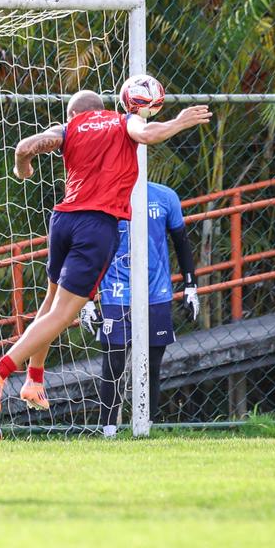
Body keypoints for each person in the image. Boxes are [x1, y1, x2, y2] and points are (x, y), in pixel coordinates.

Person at [0, 90, 211, 413]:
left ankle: (34, 379)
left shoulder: (68, 129)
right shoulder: (122, 121)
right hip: (97, 224)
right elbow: (148, 133)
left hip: (63, 220)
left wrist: (23, 168)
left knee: (50, 303)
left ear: (75, 114)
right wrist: (179, 122)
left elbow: (25, 147)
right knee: (62, 314)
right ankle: (0, 370)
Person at [79, 181, 199, 435]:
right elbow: (89, 250)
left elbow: (181, 242)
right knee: (113, 363)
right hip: (115, 292)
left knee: (152, 363)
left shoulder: (166, 196)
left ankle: (146, 428)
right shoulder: (103, 193)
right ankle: (108, 431)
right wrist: (87, 299)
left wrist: (191, 287)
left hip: (156, 293)